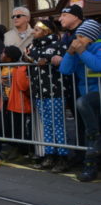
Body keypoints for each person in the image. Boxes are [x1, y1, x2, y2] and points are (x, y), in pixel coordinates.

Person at [59, 19, 101, 182]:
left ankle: (94, 141)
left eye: (82, 36)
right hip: (88, 96)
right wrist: (70, 52)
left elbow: (98, 65)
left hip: (95, 94)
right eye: (77, 36)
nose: (78, 40)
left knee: (83, 105)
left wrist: (83, 52)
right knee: (90, 131)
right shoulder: (79, 49)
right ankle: (90, 165)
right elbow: (65, 69)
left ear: (91, 37)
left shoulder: (97, 47)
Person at [26, 18, 69, 172]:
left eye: (36, 30)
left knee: (57, 125)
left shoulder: (57, 44)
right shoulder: (35, 46)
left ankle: (63, 156)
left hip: (54, 91)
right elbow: (31, 55)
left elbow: (42, 56)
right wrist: (38, 56)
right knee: (47, 125)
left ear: (46, 31)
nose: (33, 32)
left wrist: (41, 57)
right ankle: (50, 154)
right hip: (40, 91)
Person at [0, 46, 31, 161]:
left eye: (3, 53)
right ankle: (13, 147)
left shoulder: (19, 68)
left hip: (17, 102)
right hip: (6, 101)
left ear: (9, 57)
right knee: (9, 127)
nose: (1, 55)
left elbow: (23, 86)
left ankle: (22, 151)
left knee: (19, 127)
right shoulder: (3, 67)